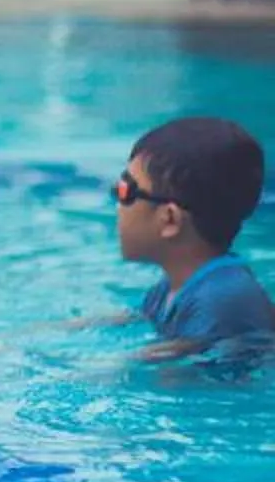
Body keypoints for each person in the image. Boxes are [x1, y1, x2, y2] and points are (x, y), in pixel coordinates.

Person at [115, 117, 274, 363]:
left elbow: (173, 373)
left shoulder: (223, 299)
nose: (117, 201)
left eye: (126, 190)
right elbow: (136, 318)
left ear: (170, 219)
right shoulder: (177, 284)